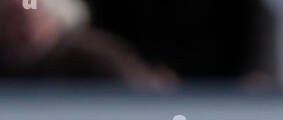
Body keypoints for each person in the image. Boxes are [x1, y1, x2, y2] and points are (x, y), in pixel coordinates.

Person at [0, 0, 173, 87]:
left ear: (50, 19)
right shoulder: (6, 62)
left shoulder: (93, 55)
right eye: (5, 21)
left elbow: (143, 88)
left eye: (21, 20)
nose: (14, 30)